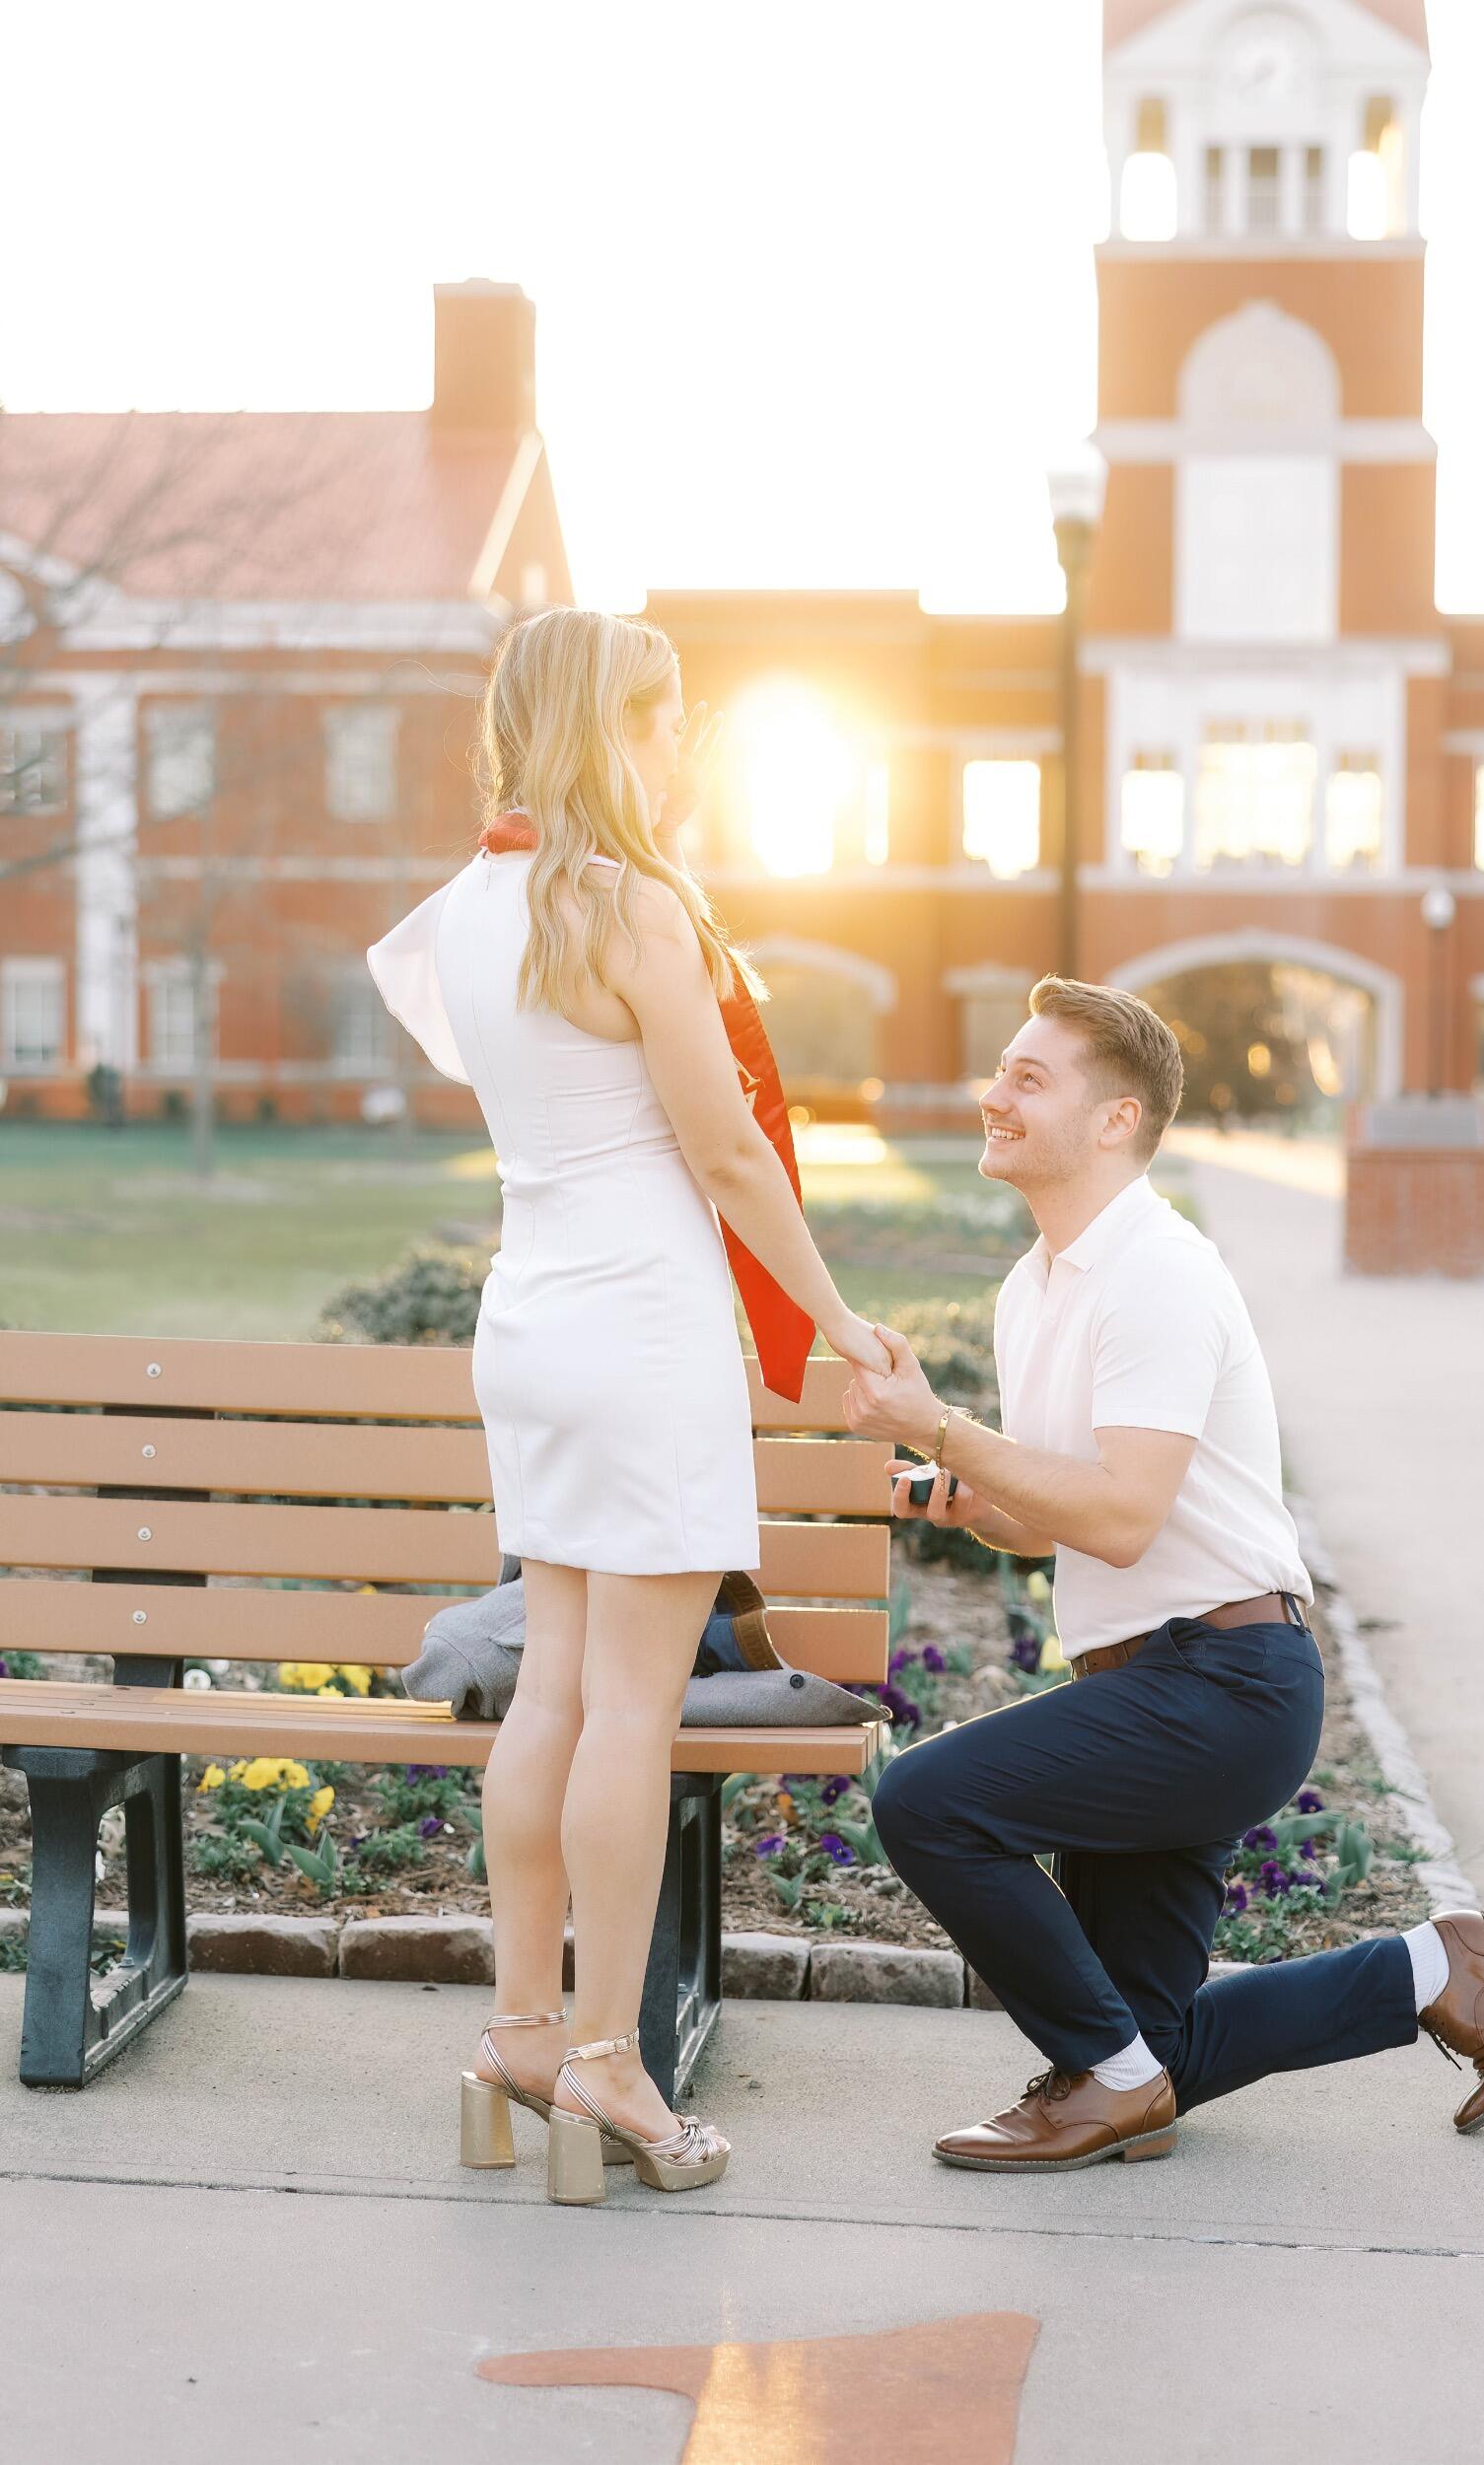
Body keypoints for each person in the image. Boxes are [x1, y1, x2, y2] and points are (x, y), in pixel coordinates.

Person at [367, 606, 889, 2204]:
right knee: (630, 1715)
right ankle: (605, 2062)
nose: (681, 746)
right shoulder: (631, 907)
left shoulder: (460, 909)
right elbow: (723, 1152)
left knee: (553, 1693)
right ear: (608, 728)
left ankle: (519, 2030)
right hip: (645, 1328)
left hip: (528, 1319)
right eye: (661, 721)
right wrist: (840, 1319)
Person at [842, 978, 1484, 2170]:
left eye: (1027, 1077)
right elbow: (1059, 1510)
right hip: (1150, 1682)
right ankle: (1435, 1966)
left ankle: (1100, 2081)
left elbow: (1119, 1517)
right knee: (1152, 2044)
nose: (991, 1094)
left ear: (1114, 1120)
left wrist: (944, 1425)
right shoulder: (1034, 1287)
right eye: (1000, 1071)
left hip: (1224, 1686)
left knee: (925, 1801)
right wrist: (960, 1495)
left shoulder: (1156, 1271)